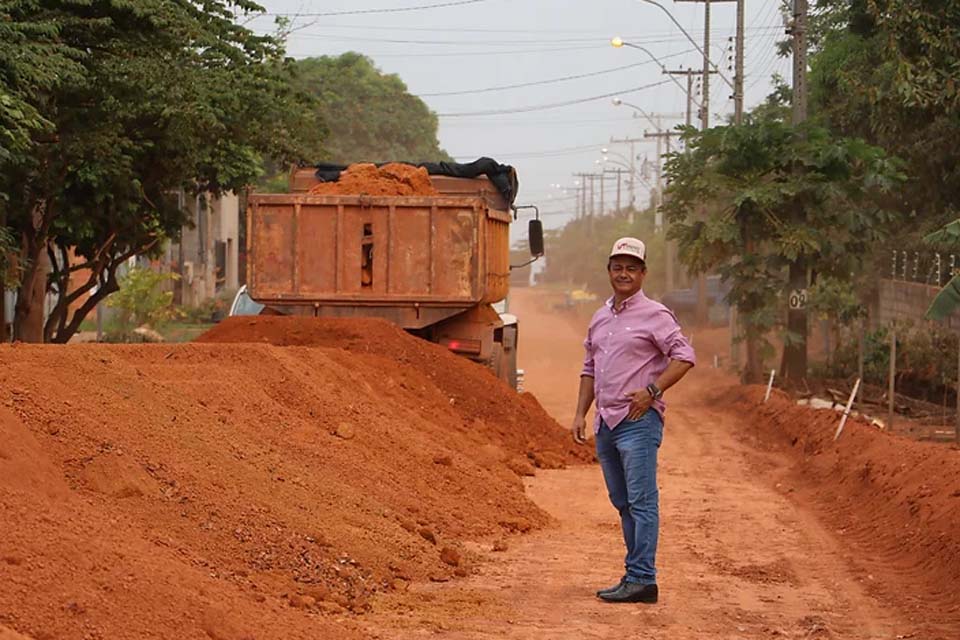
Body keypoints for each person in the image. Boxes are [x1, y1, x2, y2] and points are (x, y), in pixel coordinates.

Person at [572, 236, 695, 604]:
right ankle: (635, 576)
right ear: (609, 271)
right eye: (617, 267)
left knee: (642, 502)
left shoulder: (655, 314)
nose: (623, 273)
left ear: (643, 273)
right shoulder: (600, 316)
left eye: (631, 267)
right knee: (623, 501)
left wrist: (652, 391)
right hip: (606, 424)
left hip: (638, 422)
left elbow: (684, 355)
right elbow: (590, 367)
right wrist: (580, 412)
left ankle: (643, 578)